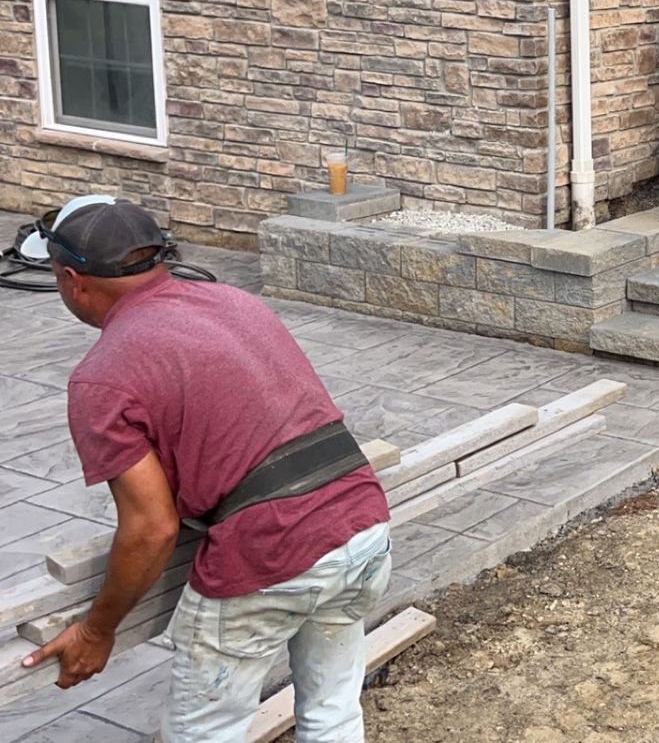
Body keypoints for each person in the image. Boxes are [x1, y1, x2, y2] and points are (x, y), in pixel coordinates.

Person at [19, 197, 392, 742]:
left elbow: (152, 528)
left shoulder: (102, 378)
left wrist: (97, 632)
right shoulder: (233, 302)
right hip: (362, 526)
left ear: (73, 280)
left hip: (272, 555)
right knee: (333, 711)